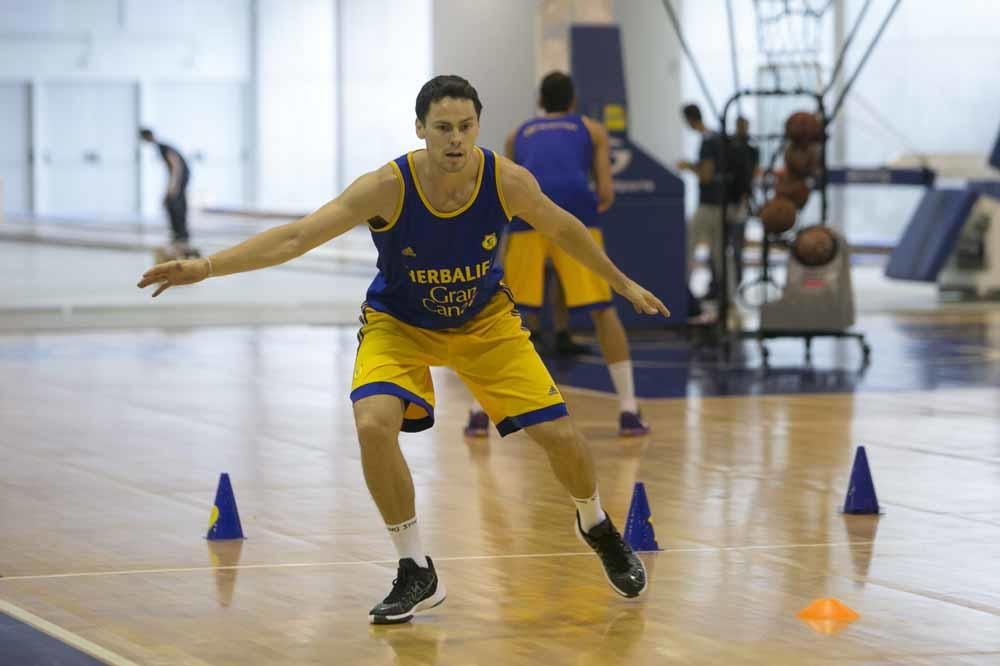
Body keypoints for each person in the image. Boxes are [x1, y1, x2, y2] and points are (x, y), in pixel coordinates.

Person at [138, 75, 669, 625]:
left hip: (484, 322)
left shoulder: (506, 180)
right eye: (443, 128)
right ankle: (416, 568)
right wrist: (206, 266)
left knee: (562, 438)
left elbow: (564, 227)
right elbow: (297, 237)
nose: (456, 139)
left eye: (465, 127)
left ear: (478, 128)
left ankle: (594, 522)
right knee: (372, 425)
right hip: (400, 323)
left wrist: (623, 283)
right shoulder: (386, 186)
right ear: (421, 130)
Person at [466, 71, 650, 439]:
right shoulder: (592, 129)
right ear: (572, 102)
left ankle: (477, 415)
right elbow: (606, 191)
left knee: (507, 318)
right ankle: (629, 411)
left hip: (524, 222)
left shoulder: (518, 134)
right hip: (574, 219)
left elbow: (509, 183)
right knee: (603, 312)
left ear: (540, 102)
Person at [677, 104, 748, 304]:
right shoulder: (718, 137)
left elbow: (706, 175)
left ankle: (680, 293)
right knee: (720, 252)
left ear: (689, 119)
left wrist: (687, 166)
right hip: (723, 204)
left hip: (709, 205)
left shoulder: (707, 142)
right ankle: (730, 296)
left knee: (687, 245)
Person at [139, 128, 197, 259]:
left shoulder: (163, 147)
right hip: (182, 177)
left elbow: (175, 166)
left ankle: (181, 236)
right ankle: (180, 235)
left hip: (180, 177)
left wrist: (172, 186)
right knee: (176, 204)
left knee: (174, 204)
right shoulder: (162, 146)